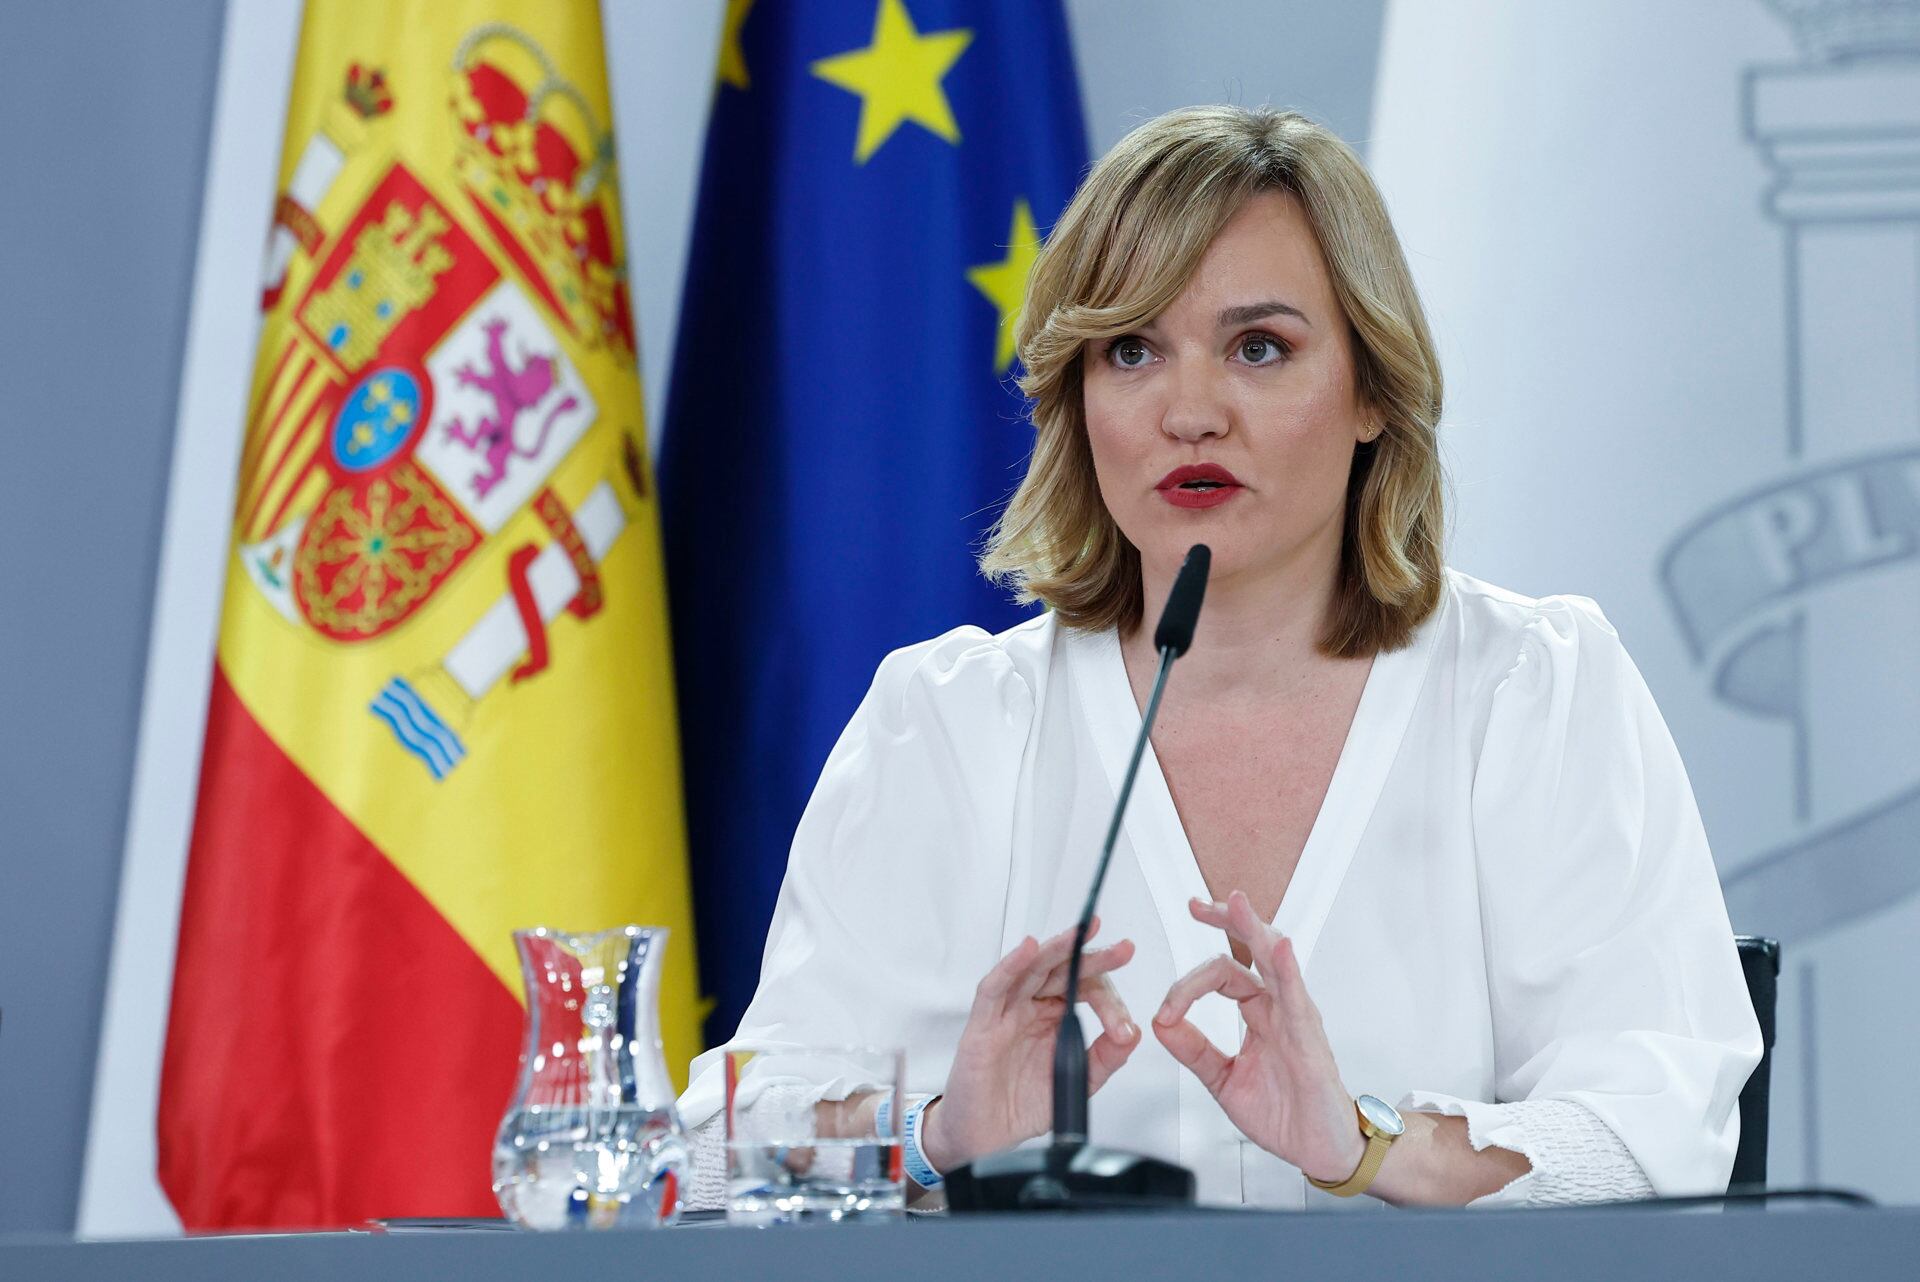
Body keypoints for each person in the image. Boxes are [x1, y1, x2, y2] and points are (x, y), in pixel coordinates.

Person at [676, 105, 1761, 1210]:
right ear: (1077, 399)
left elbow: (1660, 1136)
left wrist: (1367, 1144)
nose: (1190, 411)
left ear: (1375, 389)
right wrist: (937, 1132)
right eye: (1132, 350)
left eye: (1259, 348)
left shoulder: (1531, 691)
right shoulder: (954, 722)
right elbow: (713, 1155)